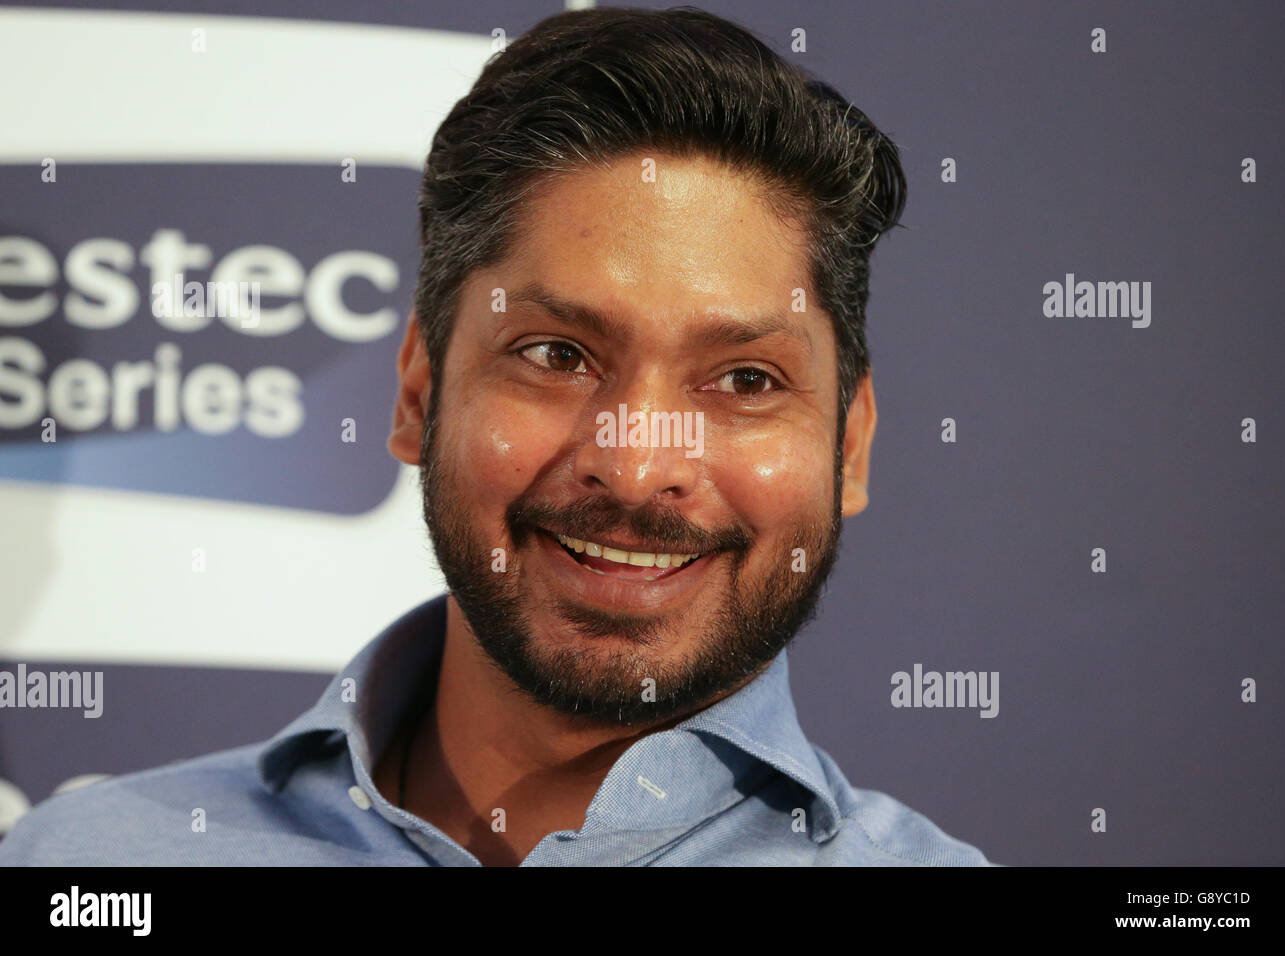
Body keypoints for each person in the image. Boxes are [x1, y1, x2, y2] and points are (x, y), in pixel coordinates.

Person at [0, 5, 991, 866]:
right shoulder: (87, 861)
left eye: (743, 379)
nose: (639, 462)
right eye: (558, 354)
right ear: (418, 390)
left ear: (850, 444)